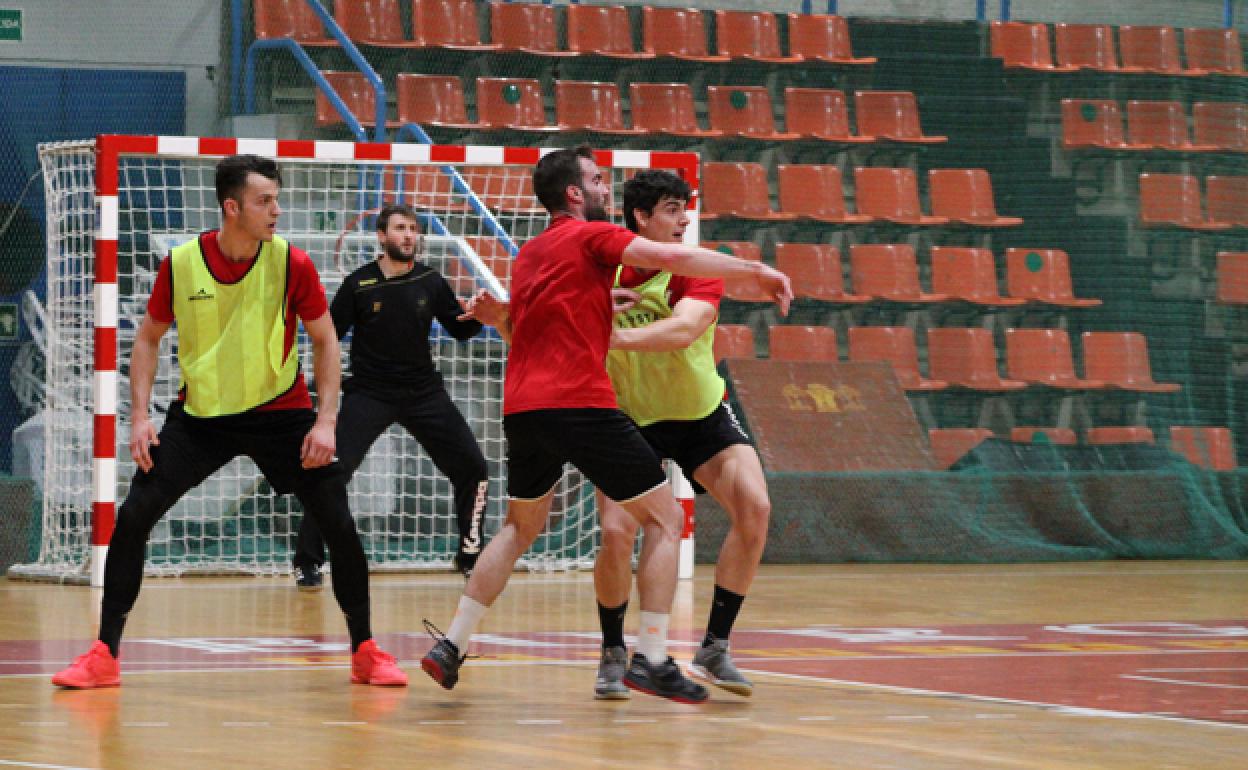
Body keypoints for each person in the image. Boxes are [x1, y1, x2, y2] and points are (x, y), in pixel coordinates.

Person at [419, 145, 791, 703]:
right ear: (575, 193)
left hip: (527, 407)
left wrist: (505, 319)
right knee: (663, 521)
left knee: (518, 529)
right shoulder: (597, 240)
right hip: (590, 405)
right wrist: (755, 270)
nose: (603, 187)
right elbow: (675, 258)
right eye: (595, 179)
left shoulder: (532, 255)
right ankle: (650, 657)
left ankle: (451, 644)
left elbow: (529, 333)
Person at [51, 154, 407, 689]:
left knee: (337, 519)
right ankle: (104, 654)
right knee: (135, 515)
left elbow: (326, 340)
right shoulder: (182, 263)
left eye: (276, 200)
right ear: (231, 207)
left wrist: (326, 421)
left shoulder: (292, 263)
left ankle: (365, 650)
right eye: (265, 201)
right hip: (202, 419)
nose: (276, 211)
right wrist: (140, 418)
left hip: (281, 415)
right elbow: (147, 339)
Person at [591, 170, 771, 700]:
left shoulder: (695, 269)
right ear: (641, 217)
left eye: (685, 208)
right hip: (628, 419)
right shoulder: (604, 266)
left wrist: (612, 336)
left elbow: (684, 329)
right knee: (616, 531)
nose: (684, 219)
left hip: (698, 414)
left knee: (755, 508)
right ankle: (613, 651)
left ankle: (714, 647)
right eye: (672, 209)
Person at [292, 203, 489, 589]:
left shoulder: (431, 280)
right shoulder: (358, 284)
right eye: (400, 228)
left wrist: (479, 313)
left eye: (414, 228)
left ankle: (470, 554)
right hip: (370, 393)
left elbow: (461, 330)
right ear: (382, 236)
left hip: (424, 393)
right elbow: (327, 338)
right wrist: (315, 390)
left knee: (473, 467)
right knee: (330, 472)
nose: (409, 235)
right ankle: (307, 561)